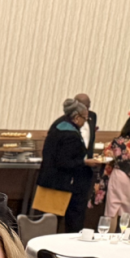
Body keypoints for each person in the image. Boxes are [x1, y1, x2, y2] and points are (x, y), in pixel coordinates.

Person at [36, 97, 100, 232]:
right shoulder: (70, 134)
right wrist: (85, 162)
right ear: (76, 117)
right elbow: (64, 161)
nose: (85, 122)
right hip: (62, 184)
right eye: (84, 118)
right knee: (70, 221)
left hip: (49, 180)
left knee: (48, 222)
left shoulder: (58, 124)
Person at [75, 91, 99, 158]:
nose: (87, 108)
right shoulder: (70, 118)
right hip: (75, 156)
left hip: (88, 156)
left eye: (88, 105)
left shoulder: (92, 115)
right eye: (84, 106)